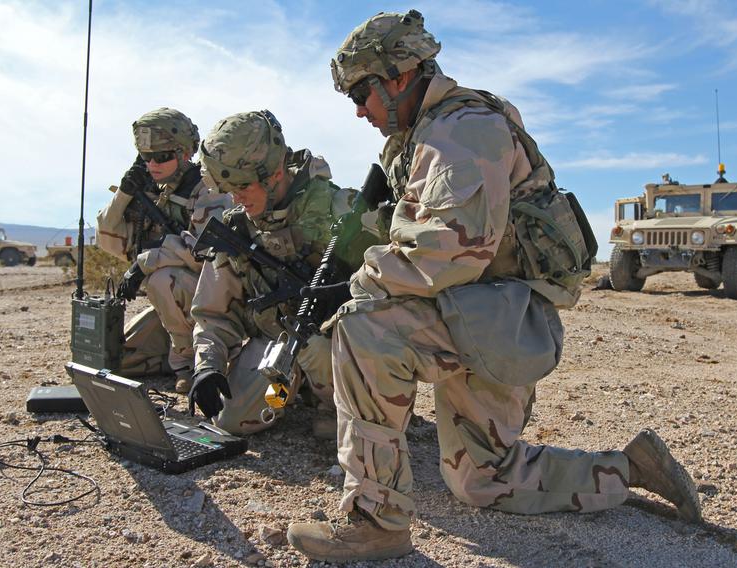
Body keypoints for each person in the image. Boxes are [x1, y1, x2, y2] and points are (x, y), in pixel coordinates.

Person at [287, 10, 702, 563]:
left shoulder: (462, 129)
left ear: (399, 76)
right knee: (483, 481)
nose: (360, 110)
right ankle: (630, 468)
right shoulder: (421, 136)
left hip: (503, 316)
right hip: (475, 309)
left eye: (362, 92)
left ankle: (375, 521)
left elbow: (450, 251)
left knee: (363, 328)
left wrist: (357, 283)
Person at [188, 110, 368, 437]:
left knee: (316, 348)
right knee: (231, 419)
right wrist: (208, 365)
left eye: (242, 185)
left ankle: (339, 405)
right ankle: (287, 394)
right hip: (279, 347)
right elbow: (212, 314)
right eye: (226, 186)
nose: (235, 197)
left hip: (341, 346)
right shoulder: (237, 230)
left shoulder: (339, 209)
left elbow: (391, 298)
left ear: (273, 173)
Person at [97, 108, 231, 394]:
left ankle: (187, 363)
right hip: (177, 303)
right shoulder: (153, 190)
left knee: (162, 279)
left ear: (183, 154)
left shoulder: (208, 189)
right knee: (116, 360)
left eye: (162, 157)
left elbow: (202, 252)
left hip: (214, 297)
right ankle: (175, 349)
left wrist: (146, 262)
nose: (153, 164)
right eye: (146, 158)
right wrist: (124, 193)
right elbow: (109, 240)